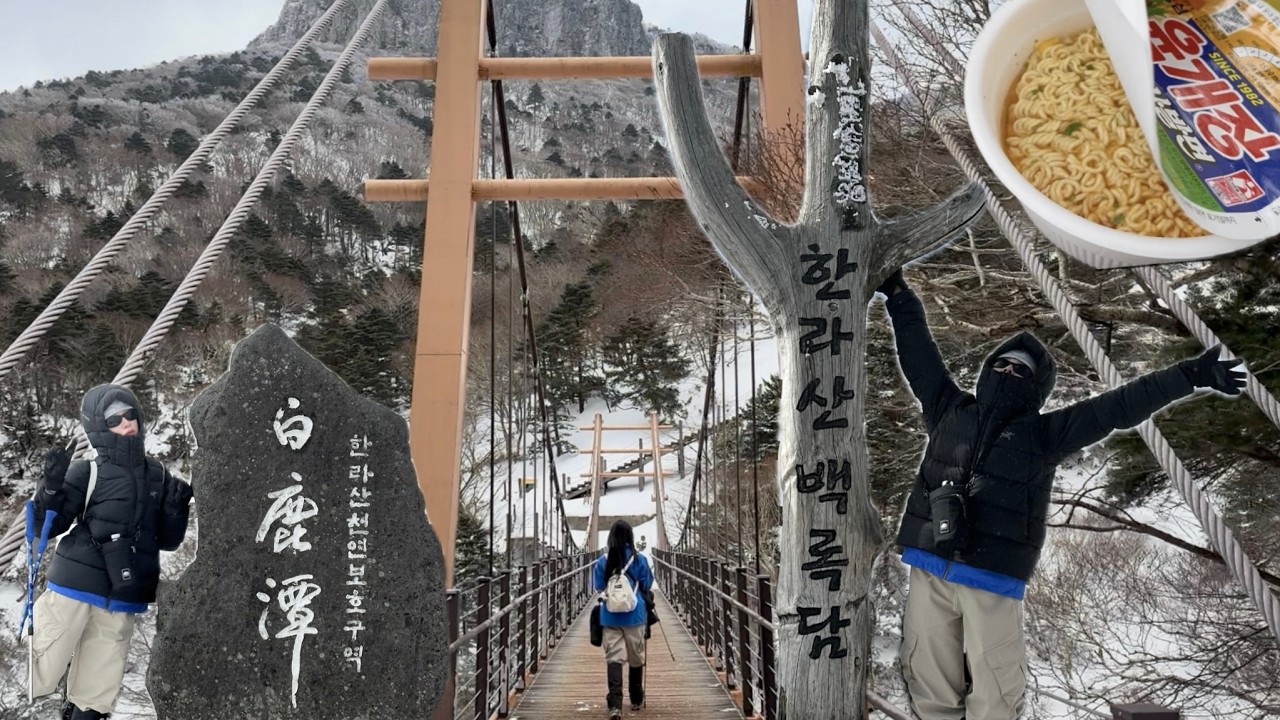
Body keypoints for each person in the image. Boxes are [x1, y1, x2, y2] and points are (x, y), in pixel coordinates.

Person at [876, 269, 1245, 720]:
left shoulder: (1046, 434)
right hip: (930, 563)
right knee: (928, 675)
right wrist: (899, 295)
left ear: (1037, 387)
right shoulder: (949, 408)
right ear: (987, 371)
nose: (1009, 372)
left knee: (996, 686)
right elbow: (919, 353)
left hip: (993, 576)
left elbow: (1117, 407)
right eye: (1002, 365)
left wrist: (1189, 375)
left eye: (1021, 370)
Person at [30, 384, 194, 720]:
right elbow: (45, 528)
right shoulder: (87, 471)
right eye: (113, 419)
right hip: (74, 588)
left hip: (124, 594)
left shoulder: (157, 475)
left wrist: (176, 509)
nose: (126, 422)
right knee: (39, 670)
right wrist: (50, 487)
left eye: (130, 414)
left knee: (96, 694)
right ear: (97, 427)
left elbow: (167, 541)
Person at [592, 520, 654, 717]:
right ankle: (636, 698)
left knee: (614, 658)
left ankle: (615, 705)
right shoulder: (640, 559)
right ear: (630, 537)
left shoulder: (602, 561)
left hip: (610, 616)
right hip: (635, 616)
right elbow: (647, 584)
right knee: (636, 657)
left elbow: (599, 587)